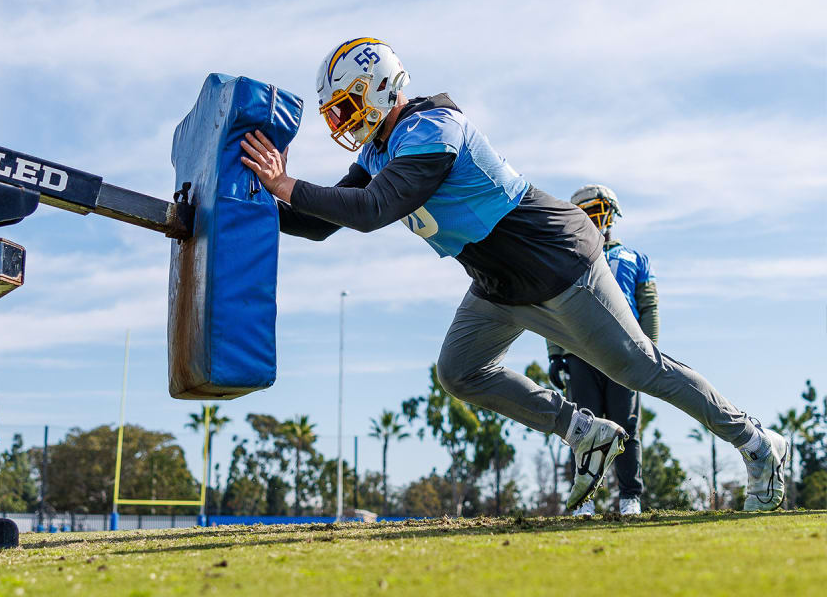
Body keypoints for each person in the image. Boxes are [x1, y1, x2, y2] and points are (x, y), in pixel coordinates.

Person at [239, 37, 789, 512]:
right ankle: (583, 431)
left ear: (381, 85)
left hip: (557, 261)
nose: (341, 121)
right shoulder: (381, 149)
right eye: (334, 112)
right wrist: (252, 201)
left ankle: (759, 444)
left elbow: (369, 211)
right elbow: (320, 223)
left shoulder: (433, 127)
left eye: (346, 105)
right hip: (497, 281)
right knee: (460, 370)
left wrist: (287, 184)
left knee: (639, 368)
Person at [547, 185, 655, 516]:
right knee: (582, 428)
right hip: (581, 352)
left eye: (596, 212)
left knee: (627, 424)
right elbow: (552, 307)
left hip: (625, 350)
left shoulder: (635, 258)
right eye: (584, 213)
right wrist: (555, 353)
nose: (592, 220)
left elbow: (648, 305)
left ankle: (629, 497)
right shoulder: (566, 258)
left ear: (609, 214)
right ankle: (585, 498)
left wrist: (649, 350)